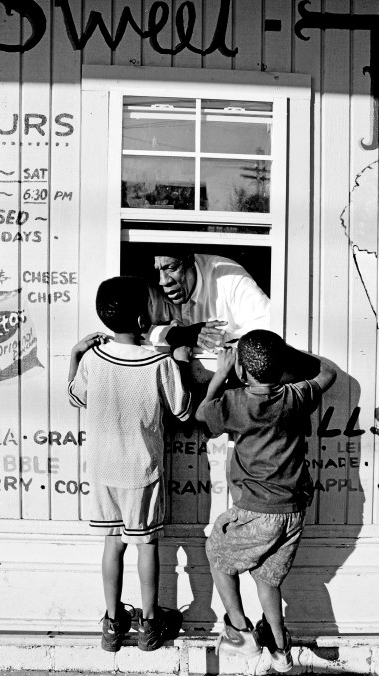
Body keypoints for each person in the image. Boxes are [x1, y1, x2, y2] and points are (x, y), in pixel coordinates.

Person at [195, 329, 337, 672]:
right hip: (292, 511)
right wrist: (285, 352)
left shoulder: (234, 402)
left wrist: (218, 375)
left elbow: (202, 416)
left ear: (241, 372)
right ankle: (278, 645)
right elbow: (328, 371)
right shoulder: (296, 396)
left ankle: (240, 631)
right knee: (267, 578)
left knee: (216, 555)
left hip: (255, 511)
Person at [68, 276, 192, 652]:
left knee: (113, 543)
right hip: (142, 471)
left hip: (105, 470)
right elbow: (182, 410)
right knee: (147, 544)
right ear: (143, 322)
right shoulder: (160, 362)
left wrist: (75, 353)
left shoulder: (92, 358)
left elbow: (77, 397)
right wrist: (182, 362)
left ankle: (111, 622)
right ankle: (150, 624)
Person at [146, 247, 271, 352]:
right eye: (158, 270)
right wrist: (178, 334)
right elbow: (135, 333)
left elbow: (268, 329)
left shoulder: (229, 276)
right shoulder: (153, 286)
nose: (163, 281)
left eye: (172, 268)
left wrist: (222, 338)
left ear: (190, 260)